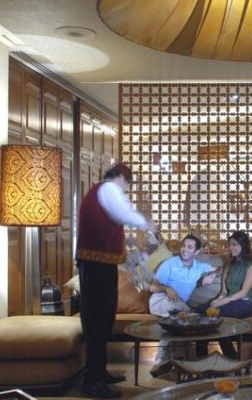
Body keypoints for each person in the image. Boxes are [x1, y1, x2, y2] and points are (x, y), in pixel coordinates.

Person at [75, 163, 158, 399]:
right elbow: (123, 213)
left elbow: (120, 215)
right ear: (121, 177)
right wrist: (146, 224)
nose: (127, 189)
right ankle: (92, 382)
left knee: (104, 319)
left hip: (101, 264)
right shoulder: (108, 189)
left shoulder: (102, 191)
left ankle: (99, 373)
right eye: (128, 184)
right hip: (95, 265)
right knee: (97, 321)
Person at [148, 234, 217, 376]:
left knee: (177, 318)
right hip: (160, 300)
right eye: (183, 246)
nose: (185, 249)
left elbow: (220, 268)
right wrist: (167, 288)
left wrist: (212, 275)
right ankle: (175, 360)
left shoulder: (199, 267)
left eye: (190, 247)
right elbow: (152, 287)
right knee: (183, 314)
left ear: (197, 252)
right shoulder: (169, 264)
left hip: (177, 305)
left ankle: (172, 360)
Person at [195, 230, 252, 359]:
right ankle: (201, 357)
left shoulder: (251, 267)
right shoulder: (229, 265)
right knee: (200, 312)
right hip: (230, 300)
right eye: (230, 244)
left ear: (243, 246)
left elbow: (244, 292)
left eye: (234, 244)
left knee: (216, 315)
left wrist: (222, 302)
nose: (231, 247)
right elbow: (224, 292)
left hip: (246, 302)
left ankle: (231, 357)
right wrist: (218, 299)